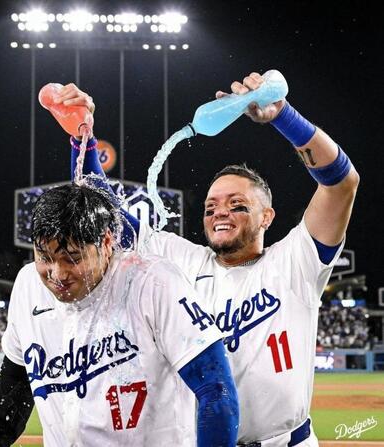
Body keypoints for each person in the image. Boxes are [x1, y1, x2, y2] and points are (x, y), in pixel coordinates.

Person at [64, 69, 360, 446]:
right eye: (210, 206)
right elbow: (109, 220)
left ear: (266, 217)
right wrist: (82, 139)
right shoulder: (180, 262)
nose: (220, 212)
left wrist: (284, 116)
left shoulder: (296, 262)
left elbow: (341, 182)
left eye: (237, 205)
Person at [0, 183, 239, 446]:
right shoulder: (28, 285)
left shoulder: (153, 282)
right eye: (44, 257)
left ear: (105, 242)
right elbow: (16, 378)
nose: (57, 274)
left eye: (72, 257)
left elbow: (216, 391)